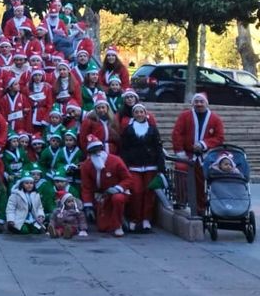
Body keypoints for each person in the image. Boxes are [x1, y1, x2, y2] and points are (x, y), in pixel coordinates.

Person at [171, 92, 224, 214]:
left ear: (206, 103)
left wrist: (204, 144)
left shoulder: (215, 119)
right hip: (187, 155)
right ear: (192, 103)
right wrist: (180, 152)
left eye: (201, 102)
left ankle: (200, 207)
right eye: (196, 102)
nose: (199, 104)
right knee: (181, 171)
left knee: (201, 182)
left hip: (206, 155)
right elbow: (176, 133)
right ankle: (181, 201)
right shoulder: (185, 116)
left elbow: (219, 137)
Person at [119, 103, 165, 233]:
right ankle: (135, 219)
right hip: (134, 166)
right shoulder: (128, 129)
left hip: (150, 165)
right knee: (136, 192)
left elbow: (158, 147)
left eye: (141, 112)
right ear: (133, 114)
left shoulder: (152, 129)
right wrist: (126, 164)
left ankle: (146, 219)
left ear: (145, 114)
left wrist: (160, 165)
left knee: (148, 193)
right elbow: (124, 148)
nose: (139, 114)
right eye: (137, 112)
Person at [80, 135, 131, 237]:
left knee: (118, 199)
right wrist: (88, 205)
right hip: (102, 196)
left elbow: (128, 178)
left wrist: (118, 188)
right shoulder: (86, 166)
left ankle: (118, 225)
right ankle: (113, 218)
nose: (97, 154)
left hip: (118, 192)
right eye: (93, 151)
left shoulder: (115, 161)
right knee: (103, 228)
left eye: (98, 150)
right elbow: (86, 187)